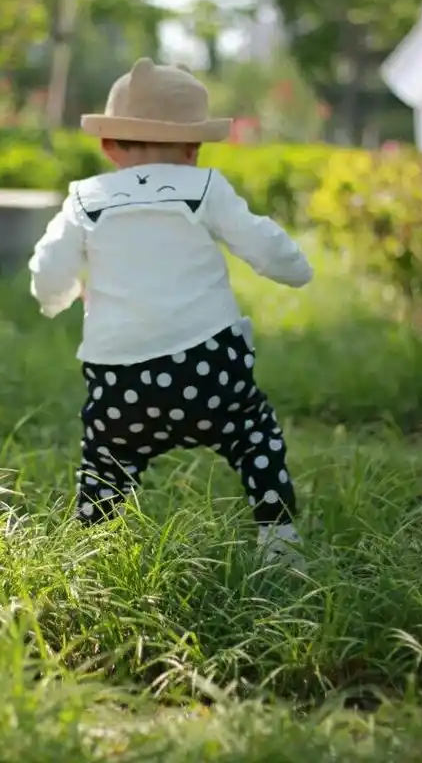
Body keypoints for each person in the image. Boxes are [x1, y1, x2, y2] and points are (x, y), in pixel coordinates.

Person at [28, 58, 313, 564]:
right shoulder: (205, 188)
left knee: (107, 461)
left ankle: (90, 556)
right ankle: (279, 540)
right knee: (254, 435)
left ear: (108, 145)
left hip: (121, 380)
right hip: (210, 369)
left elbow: (50, 267)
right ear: (193, 148)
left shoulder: (85, 200)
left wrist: (59, 297)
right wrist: (297, 270)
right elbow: (265, 245)